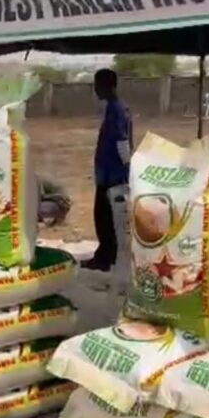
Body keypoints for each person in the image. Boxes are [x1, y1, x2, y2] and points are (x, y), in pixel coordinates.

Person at [83, 69, 131, 271]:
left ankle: (105, 258)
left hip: (113, 174)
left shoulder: (117, 110)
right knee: (106, 217)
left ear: (106, 86)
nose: (95, 90)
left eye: (97, 85)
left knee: (105, 217)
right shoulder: (114, 107)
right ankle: (106, 255)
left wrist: (127, 168)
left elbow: (122, 140)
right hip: (108, 172)